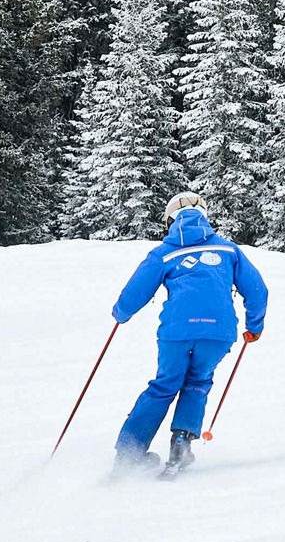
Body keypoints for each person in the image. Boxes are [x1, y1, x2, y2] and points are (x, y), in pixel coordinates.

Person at [108, 192, 269, 476]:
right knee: (197, 381)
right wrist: (254, 327)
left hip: (177, 331)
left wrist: (121, 313)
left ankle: (129, 454)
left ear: (170, 220)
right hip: (218, 333)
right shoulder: (229, 250)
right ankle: (181, 445)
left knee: (164, 385)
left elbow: (137, 290)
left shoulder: (163, 253)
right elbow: (257, 289)